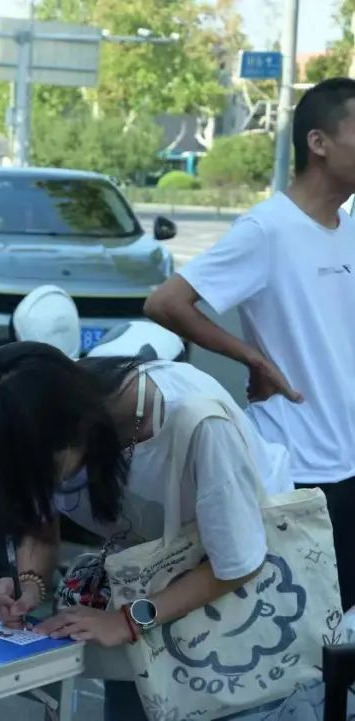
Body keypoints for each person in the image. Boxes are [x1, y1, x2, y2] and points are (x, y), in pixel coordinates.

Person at [0, 342, 294, 721]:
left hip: (237, 605)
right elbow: (38, 515)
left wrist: (125, 620)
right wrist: (29, 583)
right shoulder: (41, 404)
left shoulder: (200, 423)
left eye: (39, 478)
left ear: (76, 433)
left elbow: (237, 563)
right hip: (145, 590)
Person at [145, 77, 355, 611]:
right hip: (300, 468)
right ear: (318, 142)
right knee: (306, 629)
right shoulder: (268, 229)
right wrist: (252, 357)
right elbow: (167, 302)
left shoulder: (347, 229)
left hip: (350, 458)